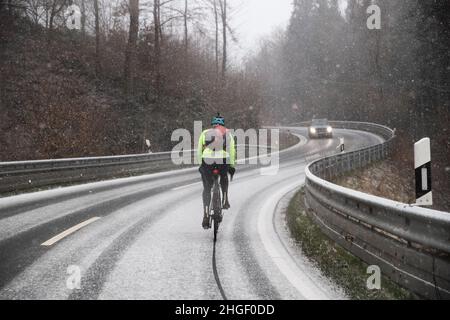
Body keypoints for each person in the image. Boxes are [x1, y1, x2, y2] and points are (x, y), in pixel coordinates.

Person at [197, 114, 236, 229]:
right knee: (223, 177)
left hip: (207, 161)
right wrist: (232, 165)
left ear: (212, 125)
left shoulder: (204, 133)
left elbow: (199, 150)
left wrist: (201, 165)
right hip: (222, 160)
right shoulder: (227, 133)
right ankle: (224, 199)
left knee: (207, 188)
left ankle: (205, 214)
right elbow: (232, 150)